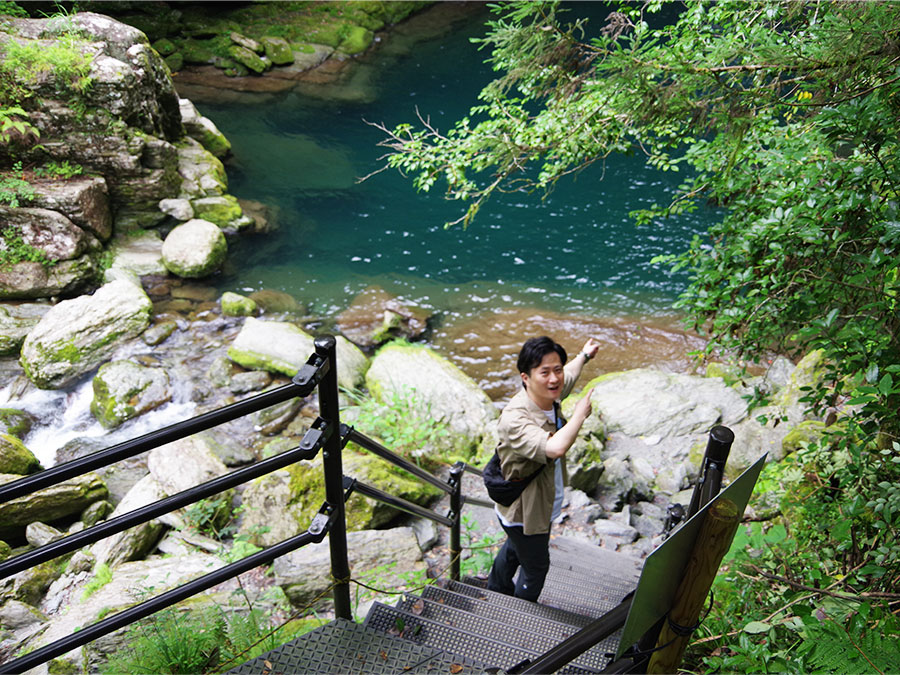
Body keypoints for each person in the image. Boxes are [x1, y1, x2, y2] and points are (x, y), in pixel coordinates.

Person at [486, 335, 599, 602]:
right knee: (536, 565)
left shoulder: (549, 393)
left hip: (541, 500)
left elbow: (568, 375)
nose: (554, 379)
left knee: (516, 547)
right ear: (525, 377)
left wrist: (584, 355)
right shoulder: (515, 418)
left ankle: (496, 588)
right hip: (526, 510)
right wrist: (580, 415)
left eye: (556, 369)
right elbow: (555, 448)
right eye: (544, 372)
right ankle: (522, 609)